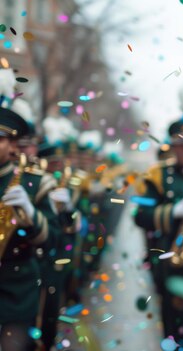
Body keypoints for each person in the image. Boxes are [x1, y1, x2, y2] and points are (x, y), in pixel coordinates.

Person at [134, 114, 183, 343]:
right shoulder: (158, 175)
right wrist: (175, 211)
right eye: (180, 145)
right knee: (174, 326)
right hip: (170, 261)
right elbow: (140, 215)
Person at [0, 104, 59, 351]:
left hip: (15, 292)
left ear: (14, 145)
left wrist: (31, 214)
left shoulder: (35, 182)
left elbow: (53, 240)